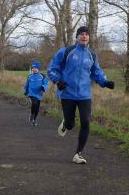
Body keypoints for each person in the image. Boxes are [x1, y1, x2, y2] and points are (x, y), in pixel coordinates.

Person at [47, 26, 114, 164]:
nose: (84, 36)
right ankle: (66, 123)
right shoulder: (66, 52)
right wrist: (58, 81)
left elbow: (97, 72)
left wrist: (105, 82)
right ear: (77, 37)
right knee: (70, 124)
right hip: (67, 93)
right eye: (81, 34)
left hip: (84, 95)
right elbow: (52, 68)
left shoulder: (92, 55)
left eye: (86, 34)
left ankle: (78, 154)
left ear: (89, 37)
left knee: (85, 122)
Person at [23, 61, 48, 126]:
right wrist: (25, 91)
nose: (34, 69)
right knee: (34, 103)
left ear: (38, 69)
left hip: (39, 94)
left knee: (37, 107)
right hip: (31, 93)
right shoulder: (30, 76)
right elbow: (27, 85)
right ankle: (32, 115)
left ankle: (34, 119)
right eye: (33, 68)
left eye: (35, 68)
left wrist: (43, 87)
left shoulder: (42, 76)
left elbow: (46, 83)